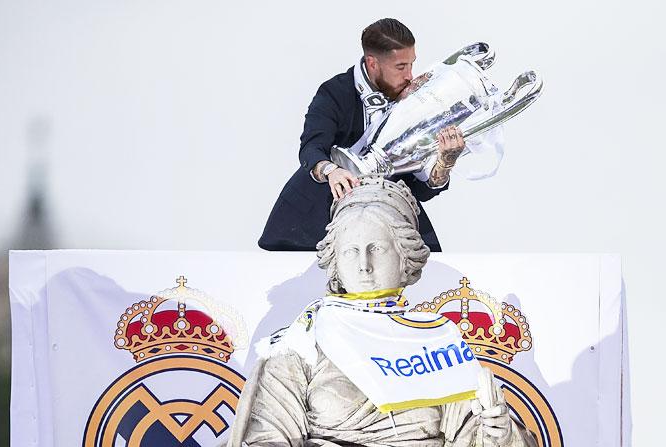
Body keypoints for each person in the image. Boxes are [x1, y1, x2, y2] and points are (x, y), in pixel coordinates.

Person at [229, 176, 537, 446]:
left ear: (406, 258)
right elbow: (267, 438)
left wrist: (498, 435)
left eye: (377, 248)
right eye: (350, 251)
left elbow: (473, 434)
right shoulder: (301, 342)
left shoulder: (435, 341)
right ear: (335, 261)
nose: (364, 264)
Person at [258, 18, 471, 253]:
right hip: (313, 222)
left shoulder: (415, 98)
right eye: (401, 67)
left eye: (412, 64)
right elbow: (311, 147)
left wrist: (445, 161)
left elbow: (420, 190)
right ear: (372, 63)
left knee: (427, 272)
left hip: (386, 218)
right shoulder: (335, 92)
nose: (410, 76)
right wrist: (332, 171)